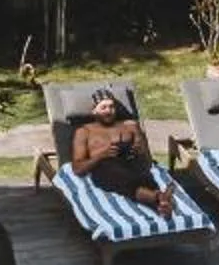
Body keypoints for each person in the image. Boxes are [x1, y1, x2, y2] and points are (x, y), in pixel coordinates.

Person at [70, 86, 176, 222]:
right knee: (119, 175)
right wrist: (102, 154)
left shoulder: (129, 125)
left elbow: (148, 161)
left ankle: (161, 204)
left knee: (143, 175)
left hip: (131, 163)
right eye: (103, 108)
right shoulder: (84, 131)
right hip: (105, 168)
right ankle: (159, 198)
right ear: (94, 111)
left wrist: (140, 145)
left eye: (112, 107)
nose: (108, 111)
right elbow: (77, 169)